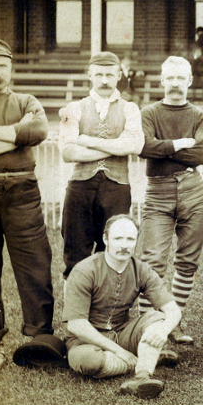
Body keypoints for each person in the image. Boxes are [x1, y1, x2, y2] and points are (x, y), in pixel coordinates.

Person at [0, 38, 56, 370]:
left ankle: (40, 339)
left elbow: (39, 129)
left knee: (35, 265)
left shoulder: (26, 100)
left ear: (11, 68)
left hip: (24, 192)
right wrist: (16, 136)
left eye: (2, 65)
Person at [63, 215, 181, 399]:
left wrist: (164, 330)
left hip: (122, 332)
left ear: (136, 241)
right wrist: (120, 352)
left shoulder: (141, 269)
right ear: (105, 239)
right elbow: (76, 325)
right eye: (118, 238)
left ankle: (142, 376)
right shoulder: (84, 270)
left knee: (157, 319)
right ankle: (148, 357)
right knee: (89, 361)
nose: (124, 245)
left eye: (130, 239)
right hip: (86, 341)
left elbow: (173, 310)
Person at [138, 56, 203, 345]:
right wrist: (180, 144)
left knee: (187, 261)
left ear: (190, 81)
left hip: (193, 189)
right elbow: (143, 146)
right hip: (158, 191)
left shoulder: (200, 116)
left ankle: (173, 322)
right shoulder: (149, 112)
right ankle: (148, 323)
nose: (176, 83)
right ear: (162, 80)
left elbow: (202, 155)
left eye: (182, 78)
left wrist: (162, 149)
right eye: (171, 78)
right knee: (153, 259)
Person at [59, 51, 144, 281]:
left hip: (117, 187)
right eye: (99, 75)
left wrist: (86, 140)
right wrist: (115, 146)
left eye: (109, 75)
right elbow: (67, 151)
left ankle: (107, 313)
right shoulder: (72, 108)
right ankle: (75, 315)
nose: (104, 81)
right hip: (79, 188)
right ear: (90, 75)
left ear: (119, 75)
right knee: (75, 253)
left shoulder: (130, 109)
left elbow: (135, 145)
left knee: (114, 252)